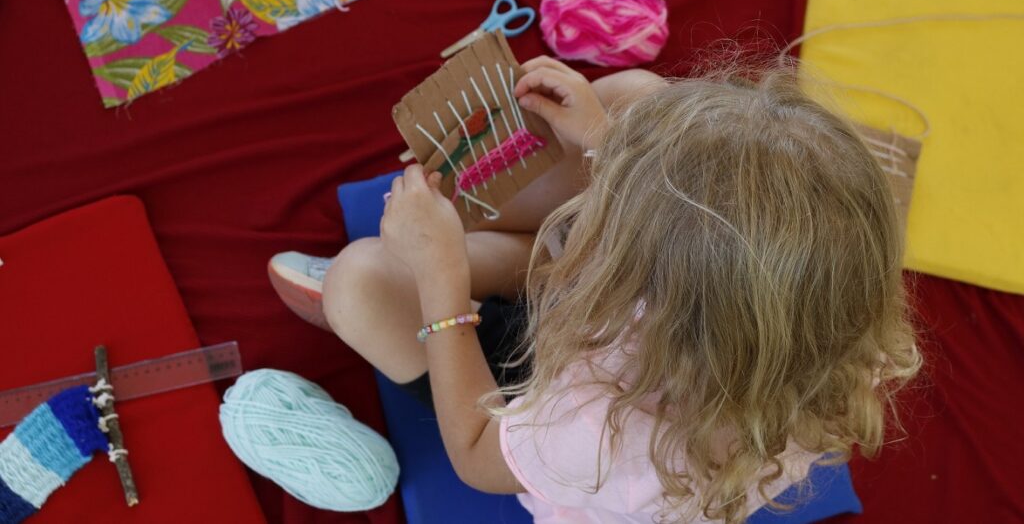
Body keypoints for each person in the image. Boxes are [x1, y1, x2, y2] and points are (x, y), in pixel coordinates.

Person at [268, 57, 920, 523]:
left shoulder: (601, 431)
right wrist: (607, 140)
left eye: (630, 202)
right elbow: (708, 233)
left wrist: (441, 282)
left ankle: (442, 258)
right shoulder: (821, 310)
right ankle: (468, 248)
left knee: (357, 284)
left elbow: (475, 453)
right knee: (639, 94)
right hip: (643, 316)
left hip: (542, 389)